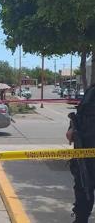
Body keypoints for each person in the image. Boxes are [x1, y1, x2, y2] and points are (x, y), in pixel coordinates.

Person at [66, 84, 95, 223]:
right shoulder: (91, 90)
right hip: (84, 153)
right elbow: (80, 114)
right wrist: (71, 128)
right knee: (83, 190)